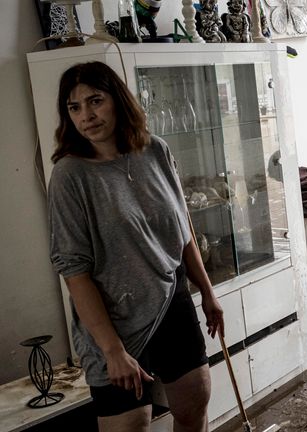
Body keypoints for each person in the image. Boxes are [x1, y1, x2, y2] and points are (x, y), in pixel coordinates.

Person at [47, 61, 224, 432]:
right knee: (131, 425)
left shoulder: (156, 151)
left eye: (95, 101)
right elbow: (74, 270)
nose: (86, 115)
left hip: (171, 299)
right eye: (74, 107)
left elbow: (183, 228)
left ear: (118, 101)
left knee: (195, 408)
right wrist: (112, 350)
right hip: (114, 319)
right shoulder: (70, 175)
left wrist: (207, 291)